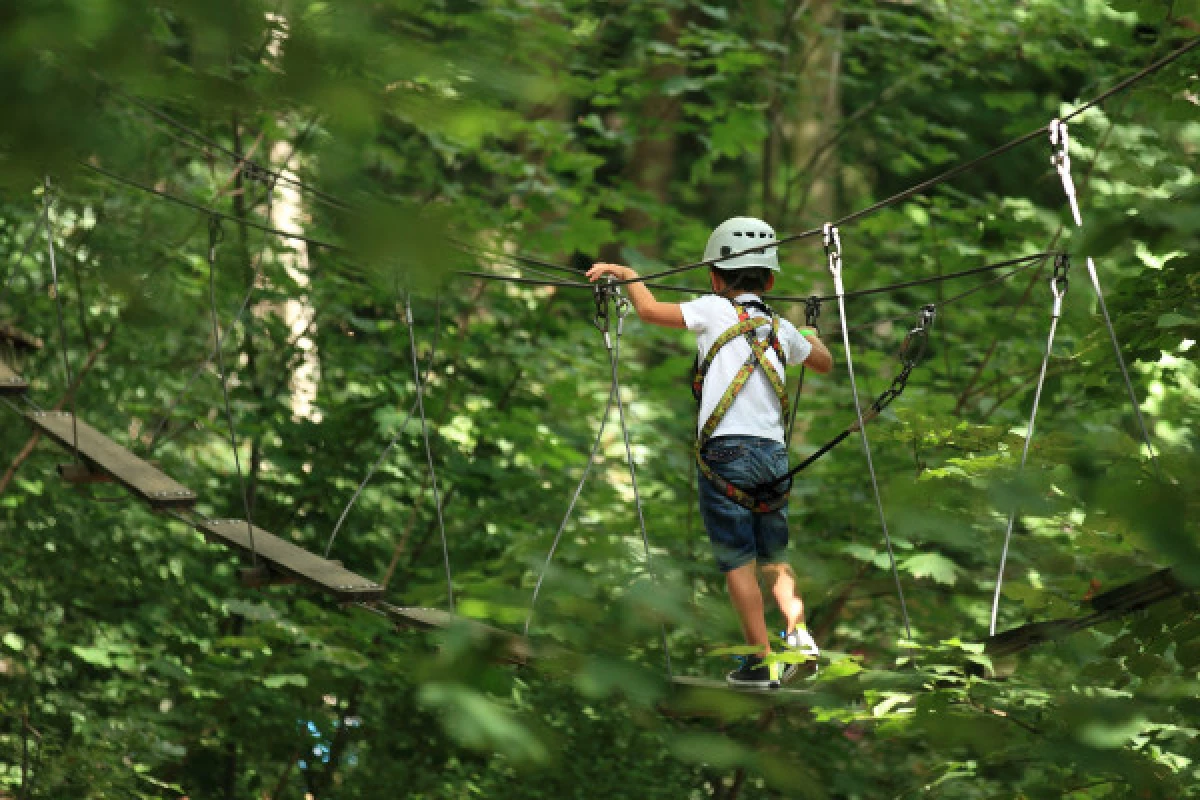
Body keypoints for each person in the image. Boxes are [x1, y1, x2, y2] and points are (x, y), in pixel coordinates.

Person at [587, 216, 834, 690]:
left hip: (726, 456)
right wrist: (811, 335)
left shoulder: (711, 310)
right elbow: (821, 362)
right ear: (771, 280)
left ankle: (761, 661)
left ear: (715, 278)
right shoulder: (780, 327)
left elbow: (651, 311)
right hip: (774, 458)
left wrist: (627, 274)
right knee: (773, 554)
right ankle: (798, 634)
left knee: (738, 559)